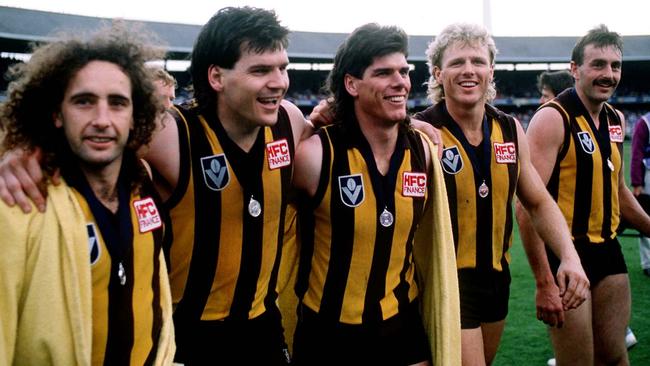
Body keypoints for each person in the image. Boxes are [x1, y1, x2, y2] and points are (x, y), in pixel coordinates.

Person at [0, 6, 314, 365]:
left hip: (263, 327)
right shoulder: (172, 132)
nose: (279, 81)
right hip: (191, 335)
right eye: (261, 70)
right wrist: (23, 152)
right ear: (216, 77)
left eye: (283, 68)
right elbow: (95, 136)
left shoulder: (290, 120)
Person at [413, 23, 589, 366]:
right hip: (448, 282)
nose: (469, 70)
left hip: (497, 280)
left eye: (478, 61)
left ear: (490, 70)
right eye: (456, 62)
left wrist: (569, 256)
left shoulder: (509, 128)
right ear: (438, 72)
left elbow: (537, 201)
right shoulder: (422, 132)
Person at [0, 24, 174, 364]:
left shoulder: (143, 186)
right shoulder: (20, 202)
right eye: (84, 102)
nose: (102, 119)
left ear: (134, 115)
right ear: (56, 114)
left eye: (118, 103)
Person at [291, 23, 460, 365]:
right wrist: (310, 123)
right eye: (383, 73)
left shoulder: (424, 152)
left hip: (401, 325)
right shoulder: (315, 155)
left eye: (404, 71)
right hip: (327, 332)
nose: (400, 81)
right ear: (351, 84)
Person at [517, 24, 650, 365]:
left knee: (616, 358)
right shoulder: (552, 118)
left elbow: (617, 191)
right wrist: (544, 281)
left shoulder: (615, 119)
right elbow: (527, 205)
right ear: (574, 69)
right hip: (565, 256)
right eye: (598, 65)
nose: (608, 74)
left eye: (615, 66)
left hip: (609, 250)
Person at [630, 111, 650, 277]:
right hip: (648, 174)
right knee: (646, 218)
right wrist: (637, 182)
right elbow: (637, 154)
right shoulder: (645, 122)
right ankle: (648, 262)